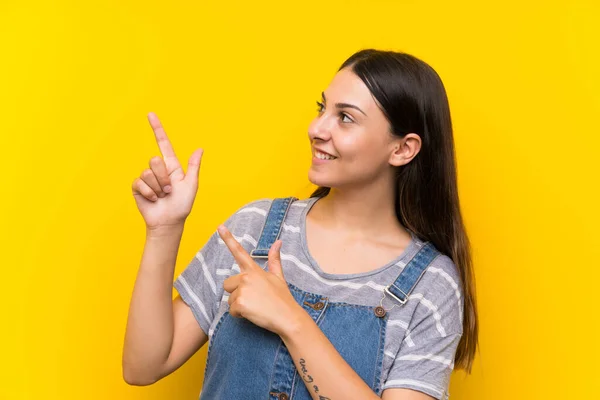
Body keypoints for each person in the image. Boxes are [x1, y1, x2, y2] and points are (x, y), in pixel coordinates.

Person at [123, 49, 479, 400]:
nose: (316, 128)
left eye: (345, 118)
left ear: (403, 149)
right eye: (322, 108)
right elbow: (142, 367)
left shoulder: (431, 285)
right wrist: (164, 230)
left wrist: (290, 319)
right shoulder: (254, 229)